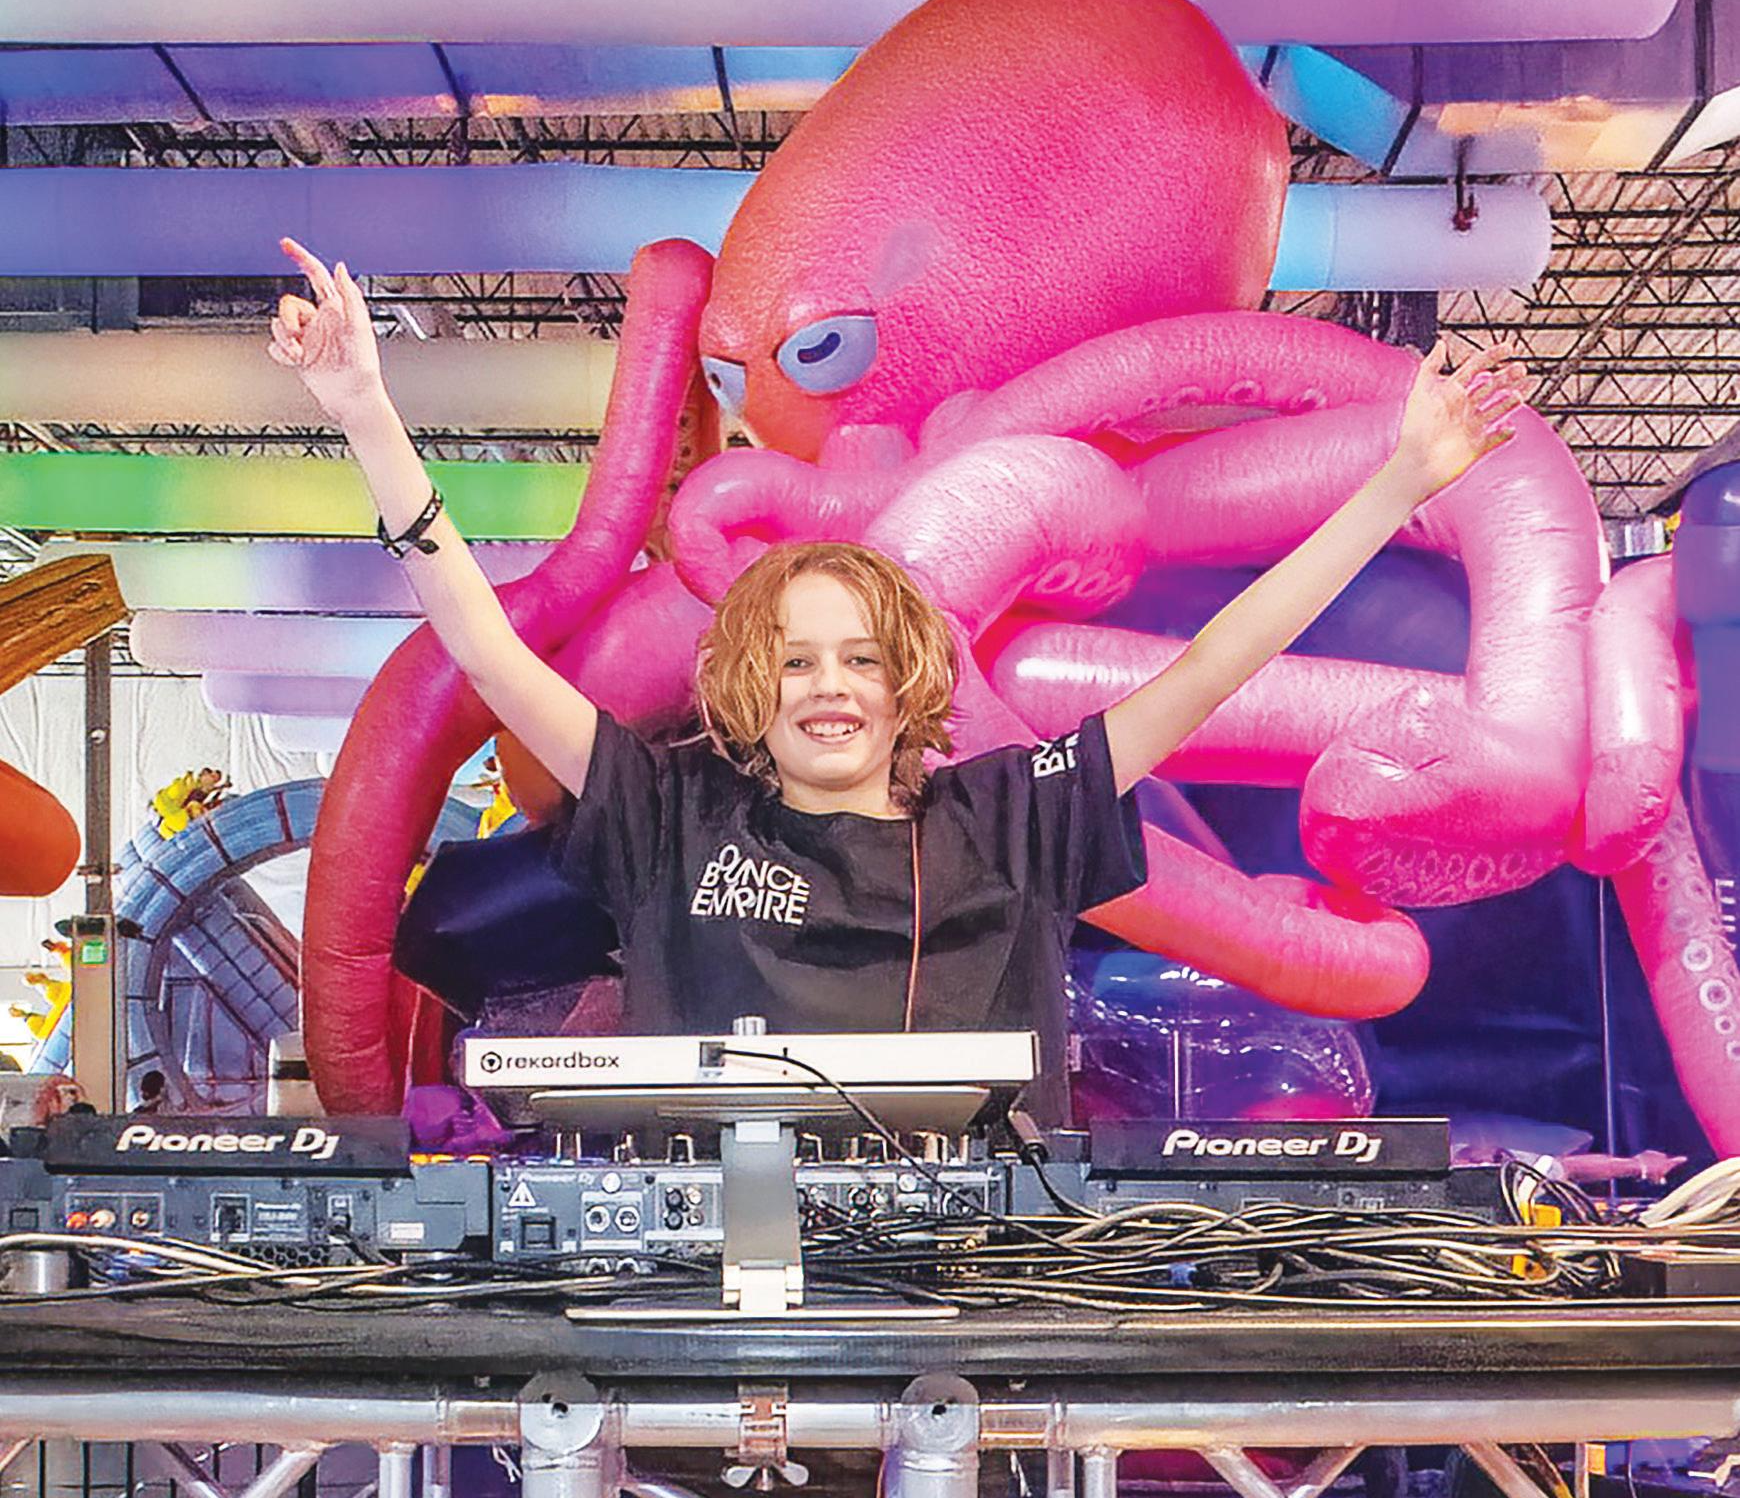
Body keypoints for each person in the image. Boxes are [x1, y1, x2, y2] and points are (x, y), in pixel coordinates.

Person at [270, 239, 1528, 1119]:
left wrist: (1398, 487)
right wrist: (367, 412)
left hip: (974, 1311)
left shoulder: (1013, 811)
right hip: (708, 1306)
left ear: (906, 683)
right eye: (797, 660)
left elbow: (1213, 667)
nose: (831, 687)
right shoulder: (665, 815)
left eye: (861, 659)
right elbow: (487, 647)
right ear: (751, 687)